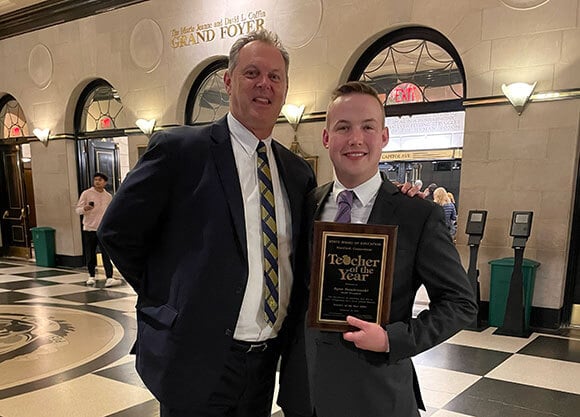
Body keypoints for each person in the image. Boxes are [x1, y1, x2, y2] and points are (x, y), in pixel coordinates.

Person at [97, 29, 317, 417]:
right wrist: (168, 298)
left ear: (285, 88)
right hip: (195, 358)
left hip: (265, 362)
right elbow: (116, 232)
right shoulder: (181, 151)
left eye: (275, 76)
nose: (264, 84)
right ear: (229, 80)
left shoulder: (297, 173)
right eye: (252, 73)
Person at [278, 82, 477, 417]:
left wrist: (391, 339)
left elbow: (460, 304)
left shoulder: (417, 214)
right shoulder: (308, 203)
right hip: (305, 390)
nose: (356, 139)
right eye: (343, 127)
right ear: (327, 138)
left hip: (376, 393)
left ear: (384, 136)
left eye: (368, 127)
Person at [75, 172, 120, 287]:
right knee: (90, 253)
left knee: (106, 253)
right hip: (89, 228)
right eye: (95, 180)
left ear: (105, 182)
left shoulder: (108, 196)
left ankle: (109, 276)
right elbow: (78, 210)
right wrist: (85, 208)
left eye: (100, 180)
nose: (97, 182)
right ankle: (91, 276)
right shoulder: (86, 193)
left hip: (103, 229)